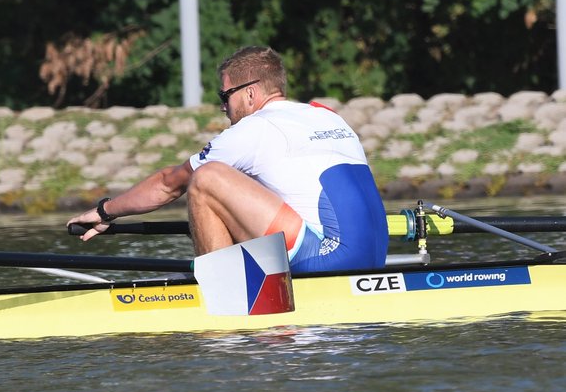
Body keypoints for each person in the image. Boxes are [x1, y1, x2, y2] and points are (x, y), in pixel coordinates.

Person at [68, 45, 388, 272]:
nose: (223, 108)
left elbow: (169, 184)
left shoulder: (255, 128)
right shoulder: (327, 116)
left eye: (225, 96)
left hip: (325, 258)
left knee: (206, 178)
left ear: (250, 93)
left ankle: (222, 289)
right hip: (375, 257)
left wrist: (104, 211)